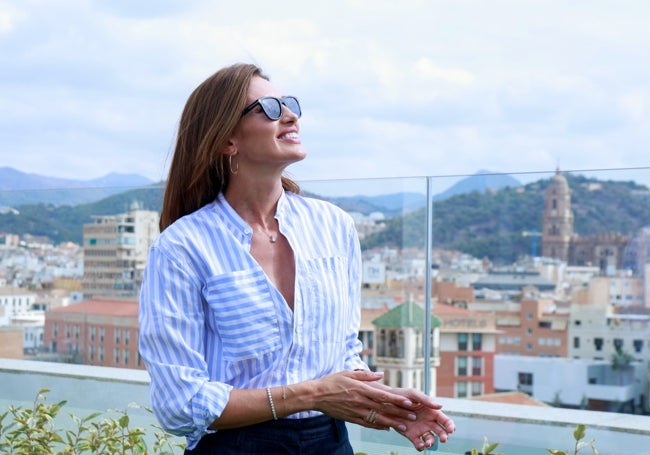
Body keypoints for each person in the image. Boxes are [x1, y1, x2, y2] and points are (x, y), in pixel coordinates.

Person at [138, 62, 456, 454]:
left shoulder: (334, 227)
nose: (290, 115)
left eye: (289, 104)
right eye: (269, 108)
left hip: (330, 443)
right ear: (227, 141)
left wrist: (389, 408)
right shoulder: (182, 247)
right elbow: (180, 404)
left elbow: (340, 354)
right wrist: (314, 394)